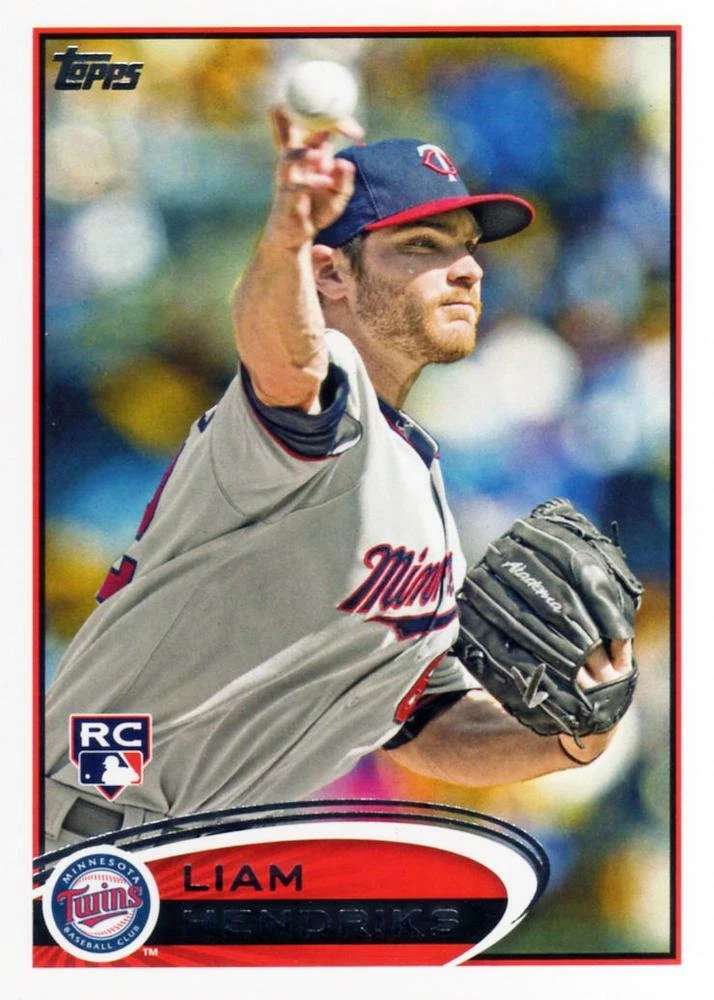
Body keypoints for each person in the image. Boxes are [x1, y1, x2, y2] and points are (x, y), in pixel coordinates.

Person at [42, 108, 634, 853]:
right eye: (423, 246)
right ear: (331, 274)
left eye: (468, 247)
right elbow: (283, 358)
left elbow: (423, 727)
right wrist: (287, 238)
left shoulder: (420, 493)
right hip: (78, 830)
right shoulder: (319, 409)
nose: (469, 269)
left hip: (196, 859)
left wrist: (577, 736)